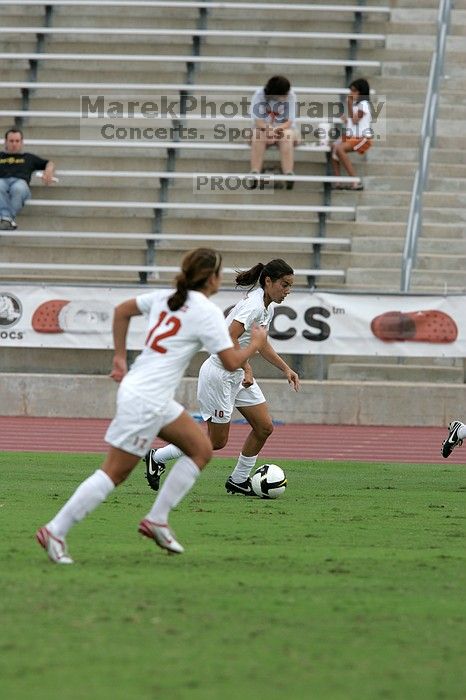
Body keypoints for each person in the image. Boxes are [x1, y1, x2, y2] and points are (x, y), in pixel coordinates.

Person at [36, 248, 267, 563]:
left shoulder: (166, 297)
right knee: (114, 473)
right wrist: (254, 344)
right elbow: (230, 363)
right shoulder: (206, 311)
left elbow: (121, 310)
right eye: (219, 272)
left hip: (147, 393)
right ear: (212, 277)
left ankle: (157, 520)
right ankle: (55, 530)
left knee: (201, 449)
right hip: (147, 398)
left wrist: (119, 357)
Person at [145, 258, 300, 496]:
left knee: (264, 427)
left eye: (290, 286)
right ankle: (158, 457)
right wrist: (247, 368)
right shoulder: (255, 306)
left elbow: (261, 343)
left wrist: (285, 368)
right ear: (268, 281)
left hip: (236, 373)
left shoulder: (265, 305)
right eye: (284, 285)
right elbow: (229, 338)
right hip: (220, 375)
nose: (287, 291)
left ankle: (239, 480)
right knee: (216, 442)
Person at [0, 127, 56, 230]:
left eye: (17, 141)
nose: (14, 144)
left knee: (18, 188)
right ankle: (7, 220)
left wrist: (48, 171)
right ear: (6, 142)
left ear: (22, 142)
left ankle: (6, 218)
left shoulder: (28, 158)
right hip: (2, 182)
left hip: (20, 184)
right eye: (11, 141)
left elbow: (49, 163)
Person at [249, 76, 298, 190]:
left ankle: (288, 173)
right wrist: (268, 130)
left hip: (284, 129)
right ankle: (255, 172)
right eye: (283, 94)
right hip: (262, 129)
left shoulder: (291, 95)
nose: (286, 95)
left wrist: (275, 130)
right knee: (258, 135)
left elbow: (289, 121)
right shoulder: (259, 95)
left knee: (287, 136)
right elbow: (258, 121)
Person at [331, 78, 373, 191]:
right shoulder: (356, 105)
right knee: (334, 146)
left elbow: (355, 120)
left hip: (363, 139)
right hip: (353, 137)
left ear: (361, 92)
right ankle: (338, 181)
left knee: (339, 148)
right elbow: (352, 123)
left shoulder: (364, 104)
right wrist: (345, 120)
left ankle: (355, 181)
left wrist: (349, 104)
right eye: (351, 90)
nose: (351, 93)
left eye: (354, 91)